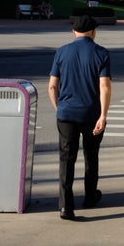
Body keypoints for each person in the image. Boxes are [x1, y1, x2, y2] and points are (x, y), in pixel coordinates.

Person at [48, 15, 112, 220]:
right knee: (91, 156)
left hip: (66, 113)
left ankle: (66, 206)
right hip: (91, 114)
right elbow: (104, 86)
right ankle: (90, 196)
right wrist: (103, 115)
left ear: (73, 32)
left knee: (67, 159)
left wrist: (59, 107)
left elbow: (52, 86)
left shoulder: (61, 52)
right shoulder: (101, 53)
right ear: (93, 32)